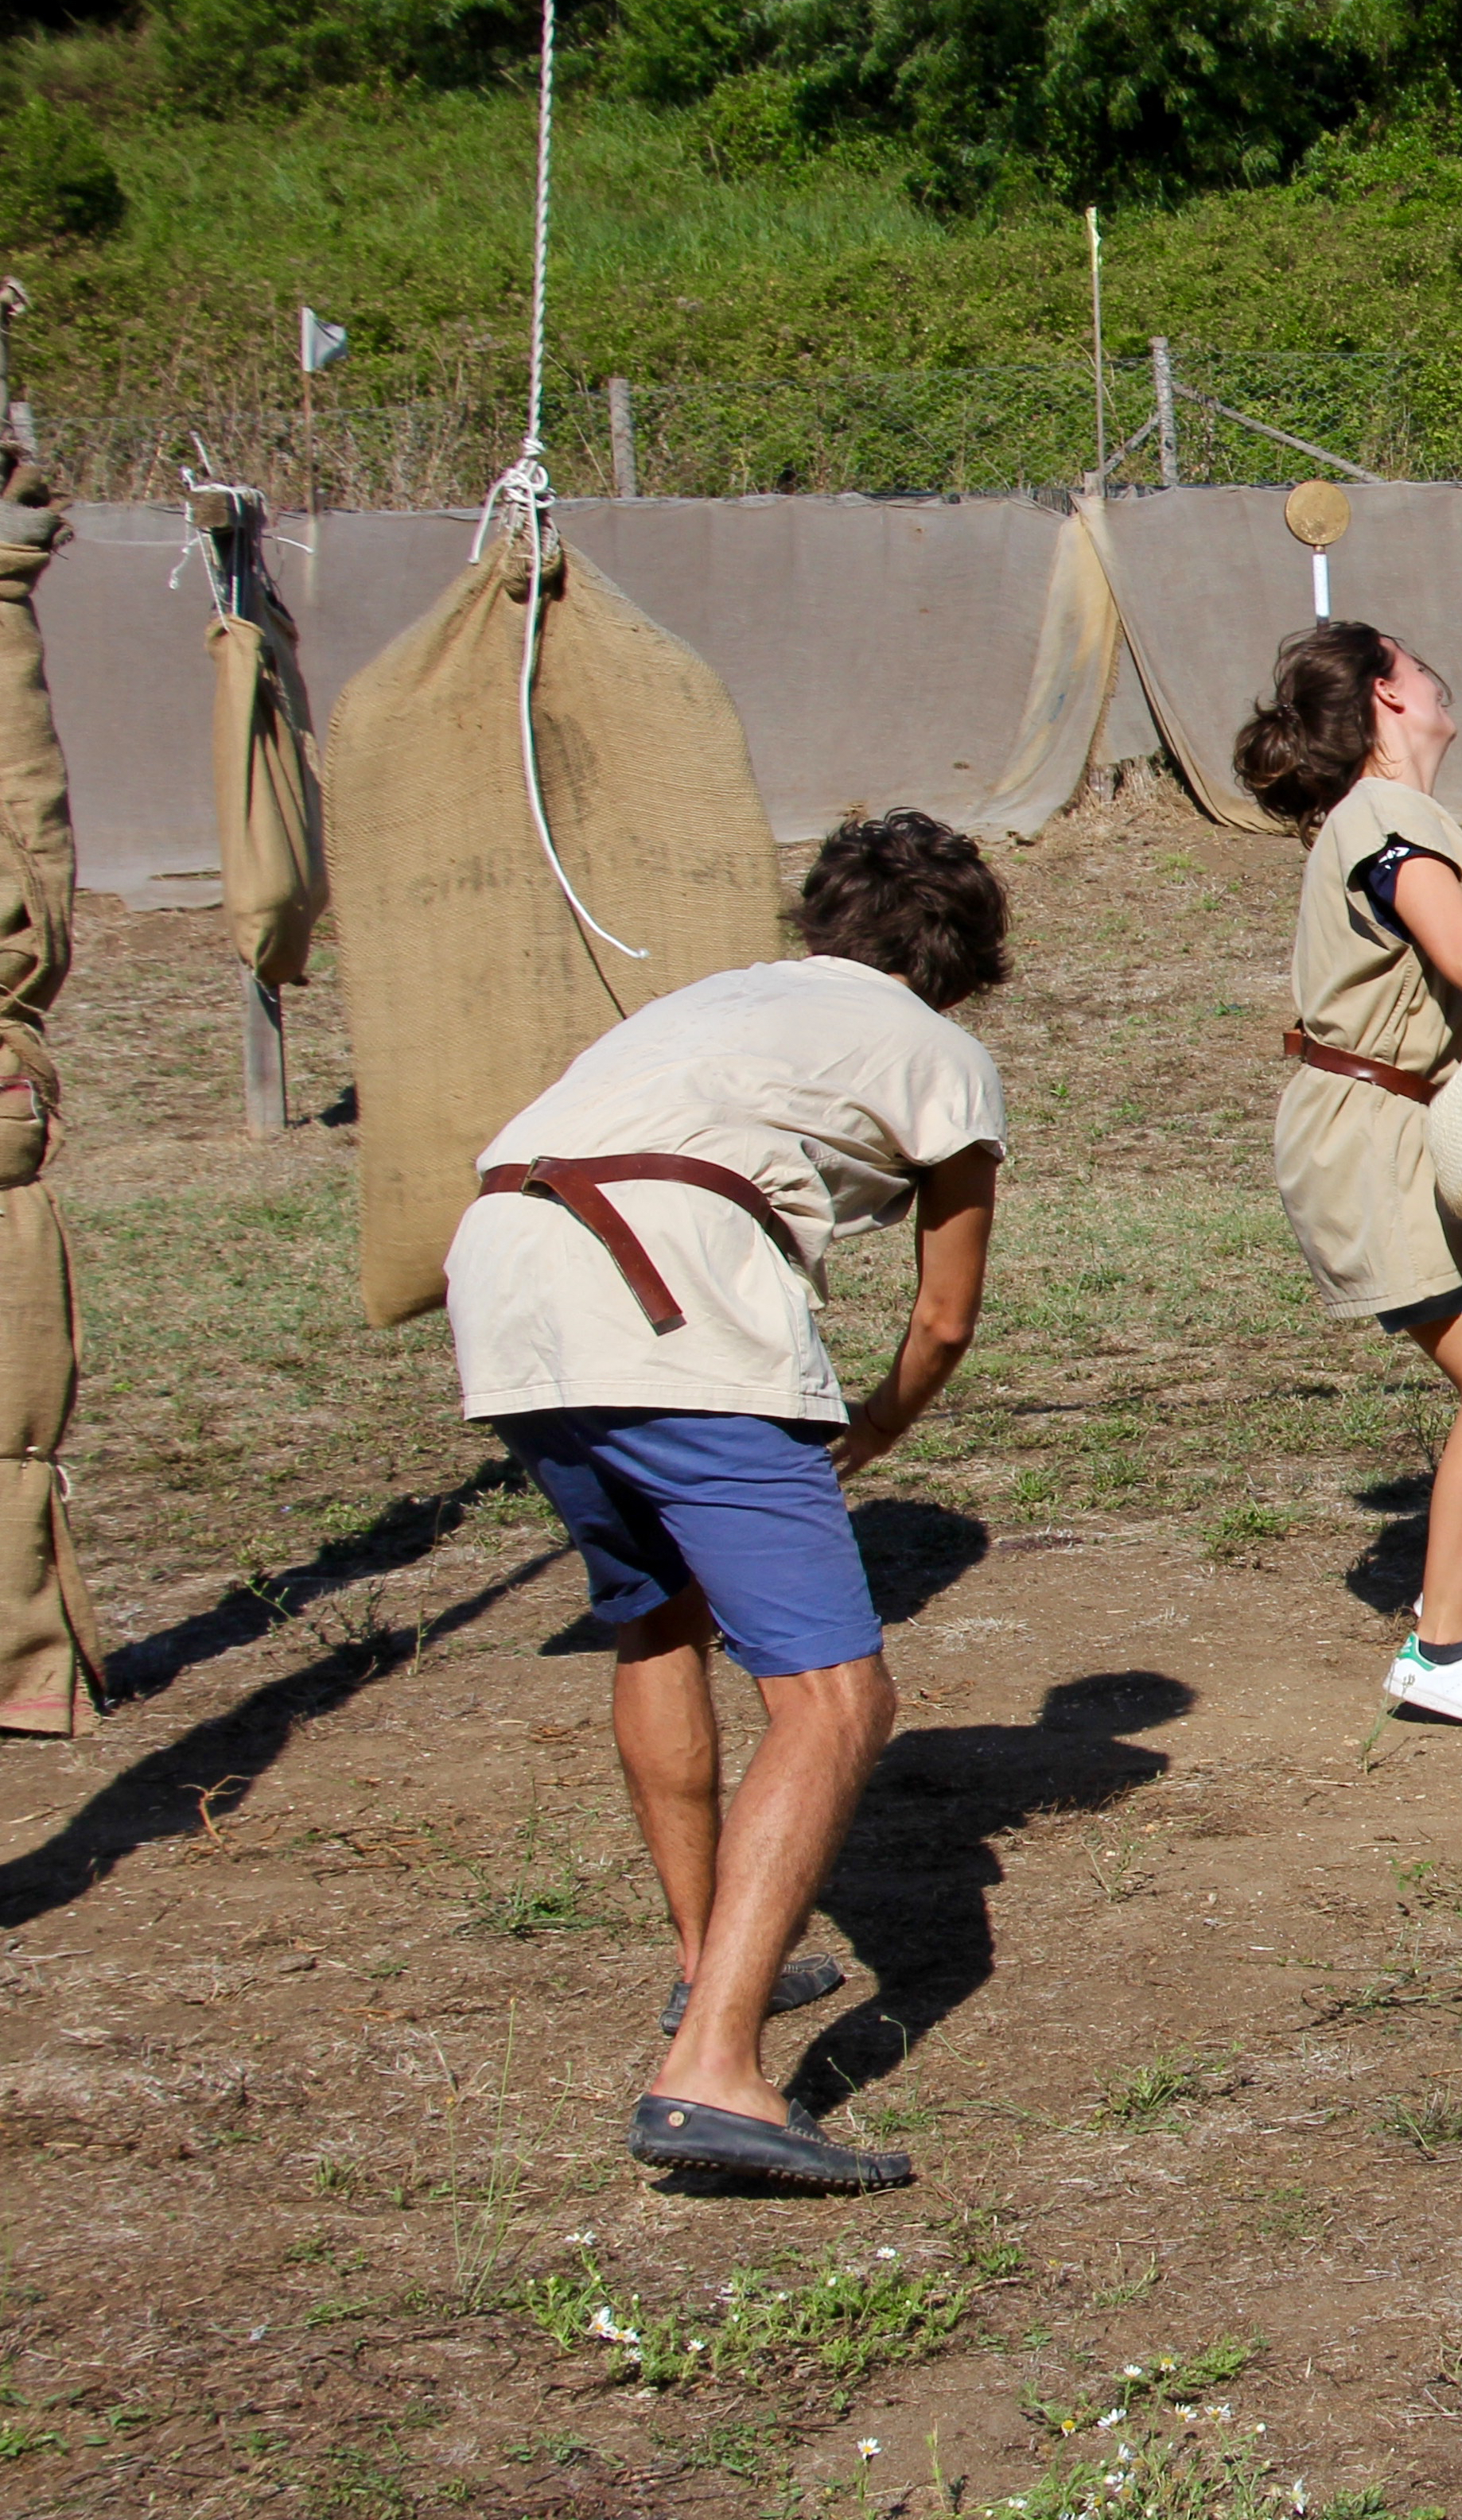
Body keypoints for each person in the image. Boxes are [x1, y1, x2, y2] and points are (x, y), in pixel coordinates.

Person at [446, 812, 1014, 2192]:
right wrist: (865, 1433)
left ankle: (714, 1963)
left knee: (661, 1625)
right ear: (969, 958)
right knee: (835, 1697)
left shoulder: (717, 998)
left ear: (821, 919)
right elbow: (943, 1322)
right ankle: (711, 2069)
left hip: (505, 1267)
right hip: (670, 1286)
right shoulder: (941, 1053)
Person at [1243, 622, 1462, 1732]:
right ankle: (1438, 1651)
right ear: (1389, 696)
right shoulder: (1384, 819)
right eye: (1415, 659)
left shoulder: (1410, 818)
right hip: (1374, 1139)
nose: (1442, 671)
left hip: (1437, 1129)